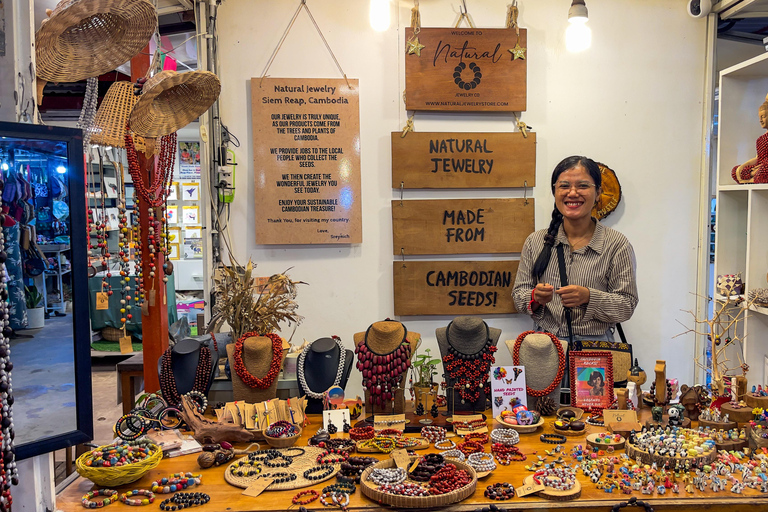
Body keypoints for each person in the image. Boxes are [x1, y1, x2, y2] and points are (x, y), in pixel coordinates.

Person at [512, 155, 638, 342]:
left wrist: (588, 296)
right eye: (564, 186)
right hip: (545, 347)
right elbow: (518, 296)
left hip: (595, 350)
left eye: (583, 186)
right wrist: (535, 298)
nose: (572, 193)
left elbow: (626, 305)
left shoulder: (616, 244)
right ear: (554, 192)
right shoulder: (536, 241)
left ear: (597, 193)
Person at [732, 93, 768, 184]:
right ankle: (754, 176)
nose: (760, 120)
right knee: (735, 171)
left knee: (765, 168)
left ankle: (752, 179)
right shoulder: (760, 139)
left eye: (763, 117)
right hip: (759, 167)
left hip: (765, 167)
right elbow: (757, 158)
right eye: (759, 117)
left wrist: (762, 167)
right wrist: (743, 166)